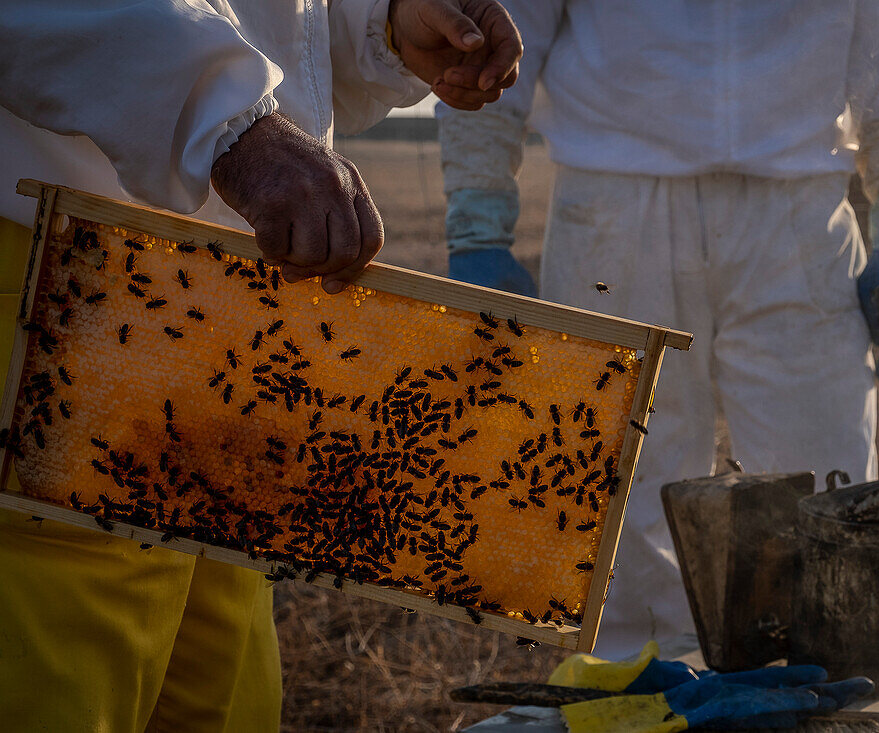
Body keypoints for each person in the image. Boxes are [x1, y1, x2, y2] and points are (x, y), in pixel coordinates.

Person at [0, 1, 520, 730]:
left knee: (225, 688)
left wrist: (382, 26)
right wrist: (229, 123)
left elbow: (262, 20)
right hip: (61, 270)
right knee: (60, 684)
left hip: (235, 304)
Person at [438, 1, 879, 660]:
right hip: (614, 213)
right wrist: (478, 224)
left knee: (834, 506)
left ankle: (835, 705)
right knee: (617, 513)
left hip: (799, 210)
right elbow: (493, 23)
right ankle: (630, 705)